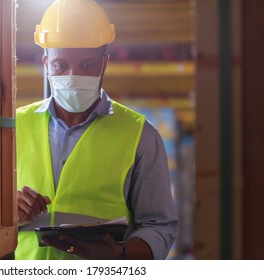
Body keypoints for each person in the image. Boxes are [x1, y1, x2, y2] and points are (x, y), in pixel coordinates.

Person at [15, 0, 178, 260]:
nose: (72, 75)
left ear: (104, 63)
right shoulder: (12, 128)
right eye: (60, 65)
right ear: (46, 63)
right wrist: (4, 212)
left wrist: (119, 255)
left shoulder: (140, 135)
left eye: (87, 65)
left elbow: (159, 226)